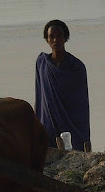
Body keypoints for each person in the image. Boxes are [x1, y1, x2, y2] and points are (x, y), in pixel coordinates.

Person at [34, 19, 90, 150]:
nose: (55, 40)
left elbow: (81, 103)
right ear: (47, 40)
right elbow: (39, 94)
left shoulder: (76, 67)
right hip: (47, 121)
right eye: (51, 36)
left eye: (59, 36)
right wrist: (36, 122)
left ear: (65, 38)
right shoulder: (42, 63)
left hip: (71, 122)